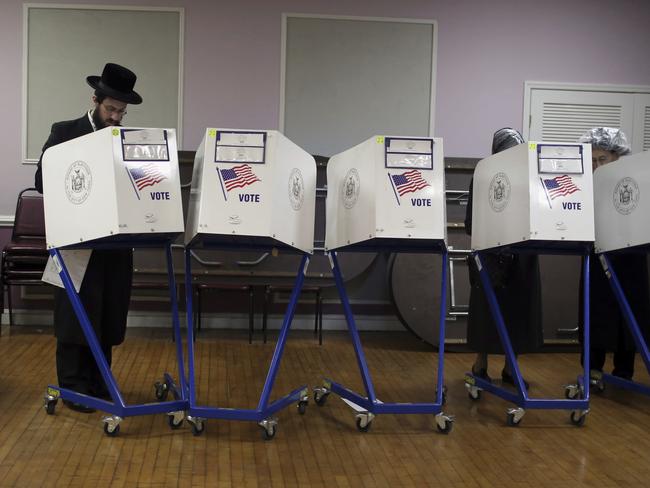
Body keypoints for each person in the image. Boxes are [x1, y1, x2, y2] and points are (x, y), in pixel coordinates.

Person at [35, 63, 142, 412]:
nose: (115, 116)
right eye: (111, 109)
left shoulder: (127, 140)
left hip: (114, 244)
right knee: (75, 314)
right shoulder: (65, 132)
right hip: (77, 242)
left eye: (121, 112)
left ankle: (100, 382)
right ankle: (73, 386)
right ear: (95, 99)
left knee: (107, 312)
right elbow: (41, 181)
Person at [465, 128, 543, 388]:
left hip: (521, 256)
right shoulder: (481, 178)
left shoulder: (532, 179)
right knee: (486, 312)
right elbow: (470, 223)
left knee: (518, 313)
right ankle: (480, 364)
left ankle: (511, 367)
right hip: (491, 253)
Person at [578, 127, 650, 386]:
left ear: (618, 157)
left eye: (603, 159)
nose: (598, 165)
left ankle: (624, 371)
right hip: (597, 256)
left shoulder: (635, 182)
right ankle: (592, 370)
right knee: (594, 311)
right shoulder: (584, 185)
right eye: (593, 160)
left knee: (628, 313)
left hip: (631, 256)